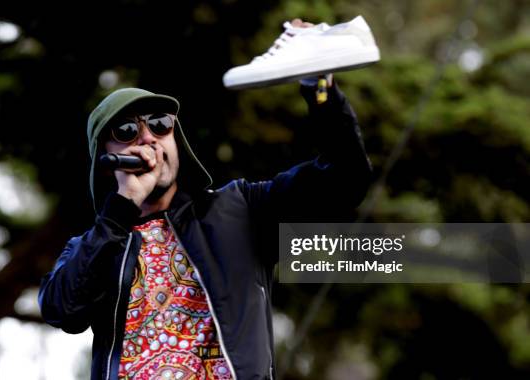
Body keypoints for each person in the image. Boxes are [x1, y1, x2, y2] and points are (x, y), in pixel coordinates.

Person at [38, 19, 372, 380]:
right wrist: (121, 207)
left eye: (160, 124)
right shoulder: (97, 245)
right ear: (107, 161)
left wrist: (319, 86)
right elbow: (62, 310)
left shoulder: (240, 209)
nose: (148, 138)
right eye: (128, 131)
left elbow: (344, 180)